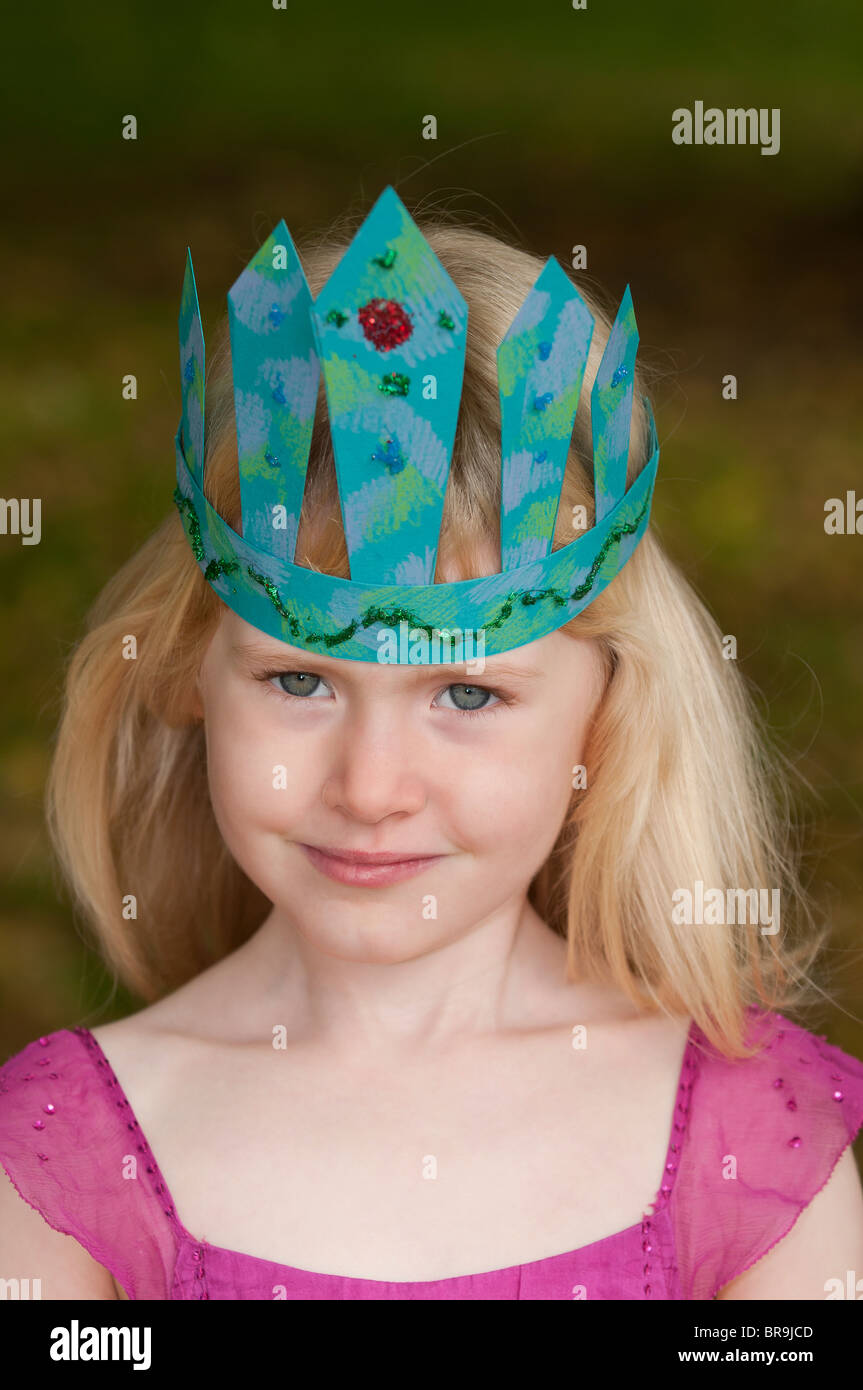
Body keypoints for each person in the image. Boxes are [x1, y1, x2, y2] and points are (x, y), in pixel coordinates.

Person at [2, 187, 862, 1301]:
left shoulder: (745, 1152)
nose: (369, 788)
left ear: (605, 713)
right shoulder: (70, 1164)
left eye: (465, 694)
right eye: (299, 679)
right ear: (184, 676)